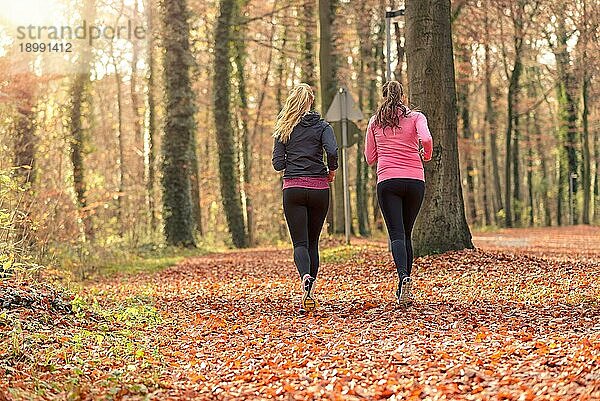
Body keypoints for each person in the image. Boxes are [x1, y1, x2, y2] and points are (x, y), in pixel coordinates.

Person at [364, 80, 433, 306]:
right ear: (402, 96)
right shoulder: (416, 117)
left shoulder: (375, 122)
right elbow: (427, 139)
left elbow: (370, 158)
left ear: (384, 96)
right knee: (407, 233)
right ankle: (406, 286)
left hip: (388, 181)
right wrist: (427, 155)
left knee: (396, 234)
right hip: (414, 181)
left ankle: (403, 278)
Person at [272, 83, 338, 314]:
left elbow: (278, 164)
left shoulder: (283, 128)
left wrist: (291, 159)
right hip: (319, 189)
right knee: (313, 242)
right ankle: (311, 291)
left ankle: (305, 278)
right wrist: (331, 170)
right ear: (311, 102)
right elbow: (332, 151)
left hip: (293, 190)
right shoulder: (322, 126)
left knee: (299, 243)